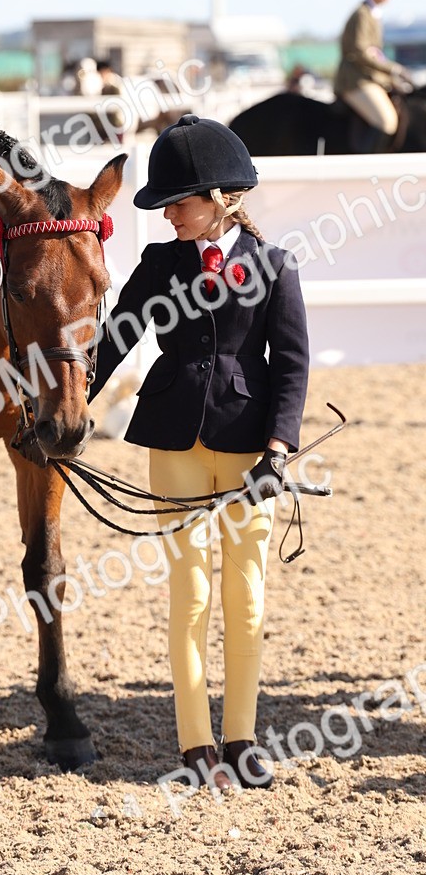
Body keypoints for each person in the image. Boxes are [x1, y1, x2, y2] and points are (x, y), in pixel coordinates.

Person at [87, 114, 310, 792]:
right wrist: (67, 410)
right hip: (174, 439)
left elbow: (293, 365)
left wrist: (279, 446)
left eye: (177, 202)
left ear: (219, 197)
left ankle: (240, 738)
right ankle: (195, 745)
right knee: (190, 594)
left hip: (250, 450)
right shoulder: (161, 264)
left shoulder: (273, 266)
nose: (167, 215)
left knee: (246, 598)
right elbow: (116, 341)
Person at [334, 0, 411, 152]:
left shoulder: (373, 14)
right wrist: (392, 68)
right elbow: (360, 51)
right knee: (387, 121)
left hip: (368, 77)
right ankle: (368, 163)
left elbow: (375, 53)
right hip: (356, 80)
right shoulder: (362, 14)